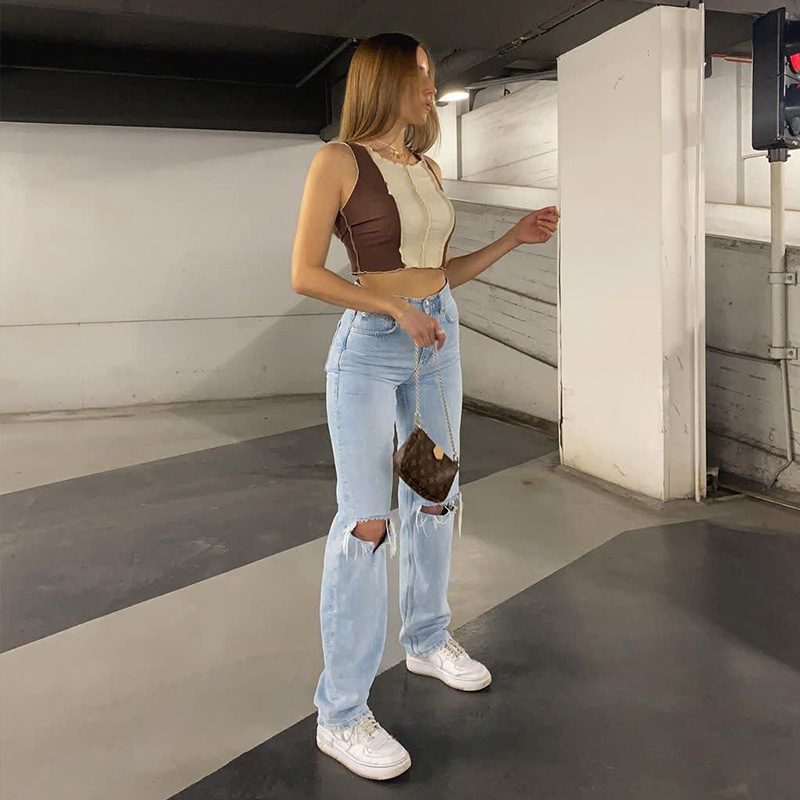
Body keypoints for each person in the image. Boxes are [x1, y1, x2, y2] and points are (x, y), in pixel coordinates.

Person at [291, 32, 560, 781]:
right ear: (382, 79)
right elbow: (305, 273)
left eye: (431, 73)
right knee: (366, 522)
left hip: (436, 340)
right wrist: (392, 309)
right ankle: (340, 714)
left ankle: (427, 639)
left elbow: (439, 274)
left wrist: (512, 239)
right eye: (419, 73)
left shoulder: (427, 168)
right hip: (371, 352)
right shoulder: (338, 161)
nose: (429, 85)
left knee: (433, 494)